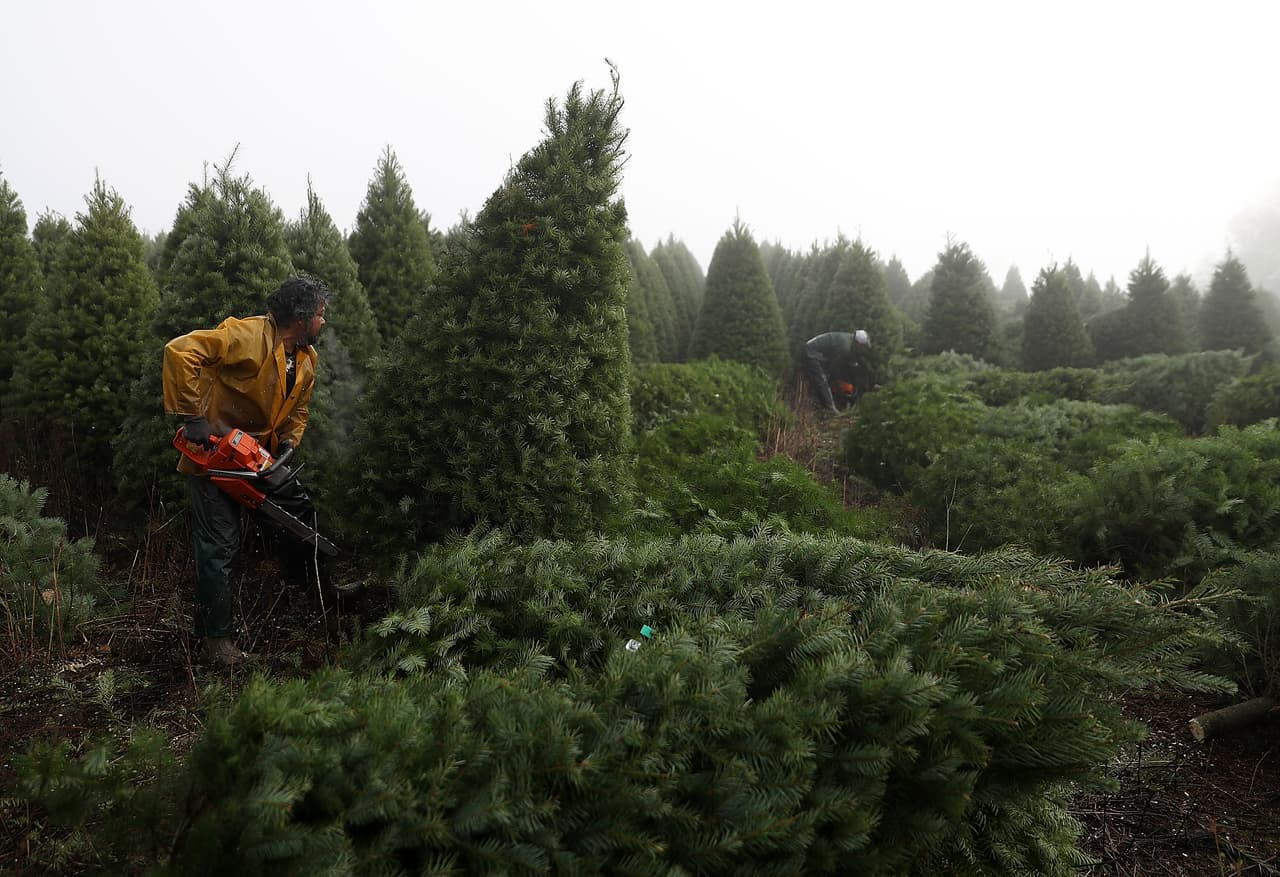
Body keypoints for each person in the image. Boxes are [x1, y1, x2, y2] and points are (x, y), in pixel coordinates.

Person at [162, 275, 331, 665]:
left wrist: (289, 442)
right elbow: (179, 351)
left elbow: (299, 408)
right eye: (321, 315)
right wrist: (193, 418)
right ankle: (217, 643)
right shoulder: (246, 336)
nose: (324, 322)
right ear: (301, 317)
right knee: (220, 548)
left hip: (259, 458)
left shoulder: (305, 357)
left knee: (300, 513)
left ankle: (317, 589)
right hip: (215, 457)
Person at [804, 330, 872, 413]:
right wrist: (839, 385)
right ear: (858, 344)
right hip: (812, 352)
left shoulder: (852, 340)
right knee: (823, 380)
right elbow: (834, 367)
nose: (863, 349)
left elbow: (847, 362)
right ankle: (831, 409)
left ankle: (824, 403)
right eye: (863, 347)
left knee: (831, 376)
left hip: (822, 354)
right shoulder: (845, 346)